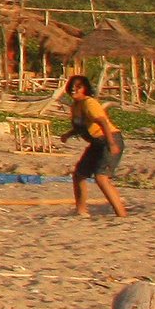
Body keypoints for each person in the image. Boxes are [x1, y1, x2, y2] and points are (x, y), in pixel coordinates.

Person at [62, 75, 130, 218]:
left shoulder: (89, 103)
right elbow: (82, 126)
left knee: (101, 177)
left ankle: (121, 214)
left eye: (78, 87)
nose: (74, 89)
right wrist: (68, 134)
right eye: (72, 86)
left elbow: (103, 122)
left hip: (109, 139)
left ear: (85, 89)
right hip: (96, 143)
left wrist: (111, 144)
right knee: (79, 175)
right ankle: (81, 211)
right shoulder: (75, 106)